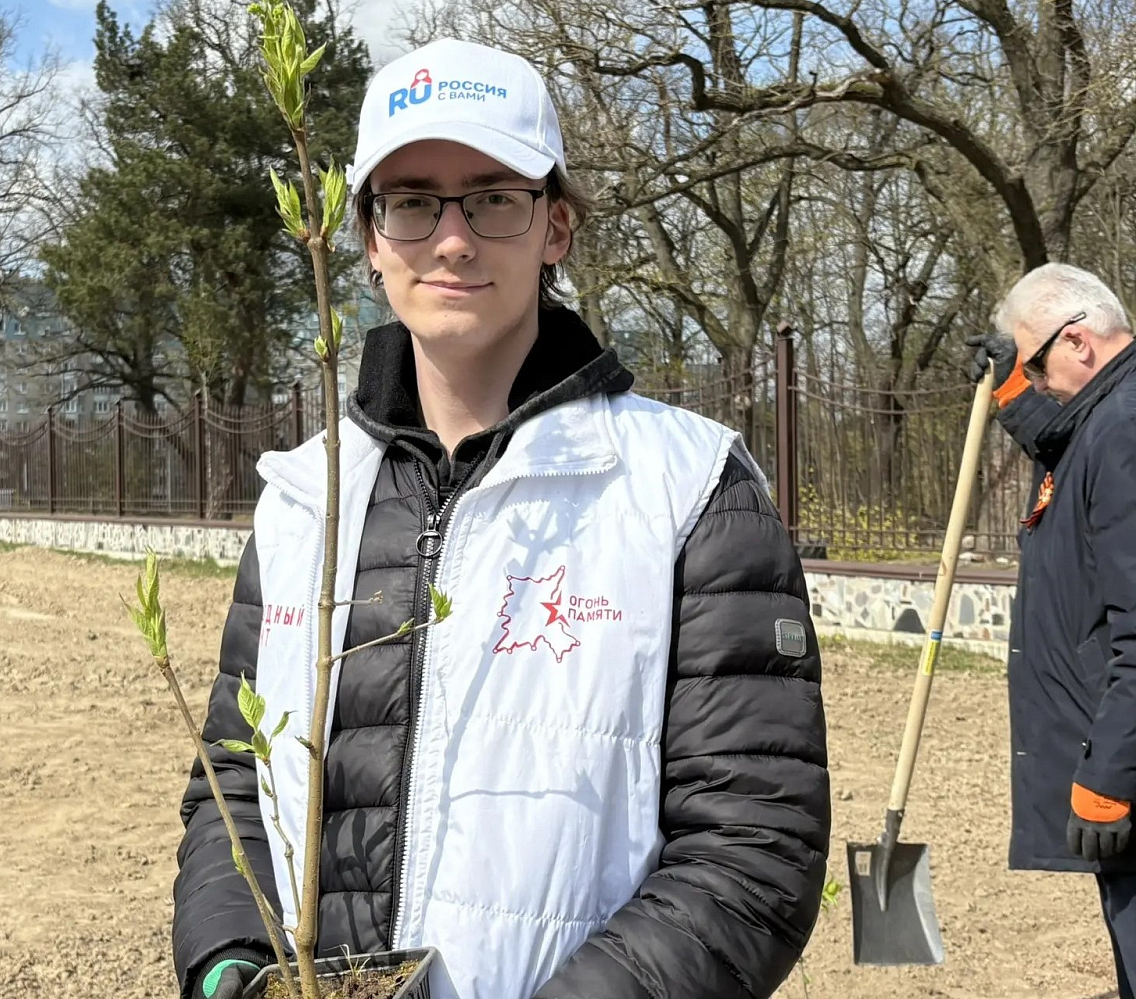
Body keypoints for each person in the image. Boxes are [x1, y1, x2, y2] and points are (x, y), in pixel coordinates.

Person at [172, 38, 830, 999]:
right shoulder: (305, 498)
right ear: (366, 239)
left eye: (493, 197)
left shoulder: (687, 488)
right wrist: (231, 964)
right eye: (410, 202)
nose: (451, 238)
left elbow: (753, 844)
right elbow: (235, 783)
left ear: (555, 226)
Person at [967, 262, 1136, 998]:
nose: (1036, 385)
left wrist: (1111, 774)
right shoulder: (1109, 417)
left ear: (1079, 343)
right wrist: (1009, 390)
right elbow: (1069, 447)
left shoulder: (1126, 429)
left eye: (1036, 367)